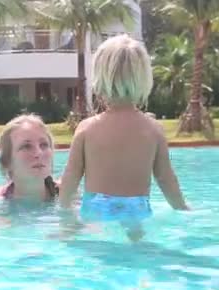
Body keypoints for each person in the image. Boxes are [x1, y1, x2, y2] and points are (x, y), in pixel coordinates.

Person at [58, 34, 189, 242]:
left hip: (97, 208)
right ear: (144, 79)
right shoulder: (153, 130)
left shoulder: (87, 129)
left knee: (98, 252)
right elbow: (165, 178)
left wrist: (63, 211)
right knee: (138, 249)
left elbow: (71, 175)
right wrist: (182, 208)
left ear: (99, 78)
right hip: (136, 210)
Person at [0, 114, 62, 225]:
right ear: (7, 162)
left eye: (44, 145)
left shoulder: (67, 193)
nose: (39, 153)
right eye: (26, 146)